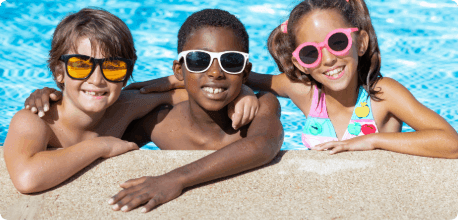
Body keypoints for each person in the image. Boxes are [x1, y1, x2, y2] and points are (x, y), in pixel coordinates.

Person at [20, 8, 284, 213]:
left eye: (231, 62)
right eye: (198, 60)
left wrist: (175, 179)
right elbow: (96, 127)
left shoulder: (263, 105)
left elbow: (263, 145)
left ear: (245, 71)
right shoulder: (157, 123)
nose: (215, 72)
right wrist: (52, 94)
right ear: (179, 70)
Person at [123, 0, 458, 158]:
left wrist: (371, 140)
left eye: (337, 42)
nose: (328, 59)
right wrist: (177, 79)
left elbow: (450, 142)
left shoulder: (382, 94)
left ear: (360, 42)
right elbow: (237, 74)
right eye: (311, 53)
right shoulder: (304, 91)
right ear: (300, 62)